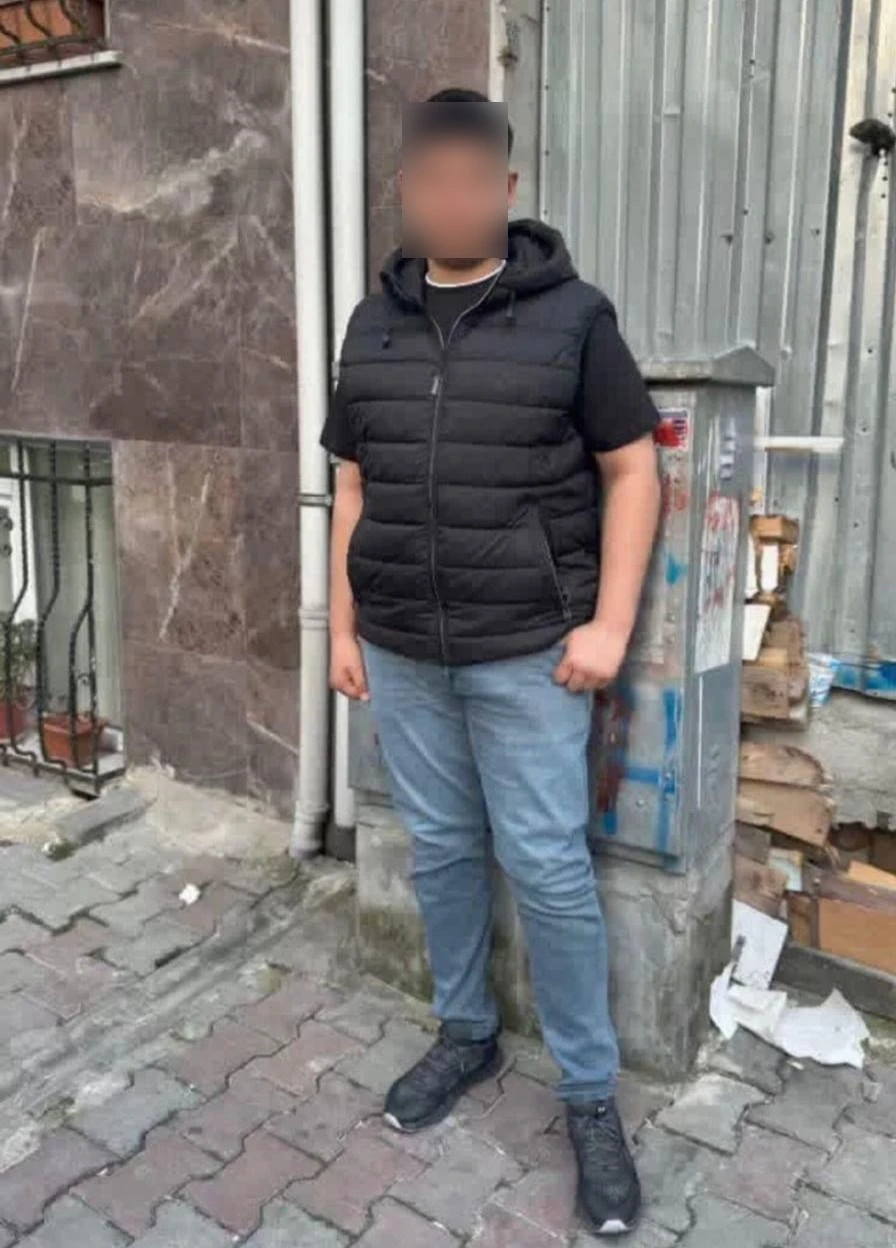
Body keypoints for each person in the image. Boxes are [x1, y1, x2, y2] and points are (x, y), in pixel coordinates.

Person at [321, 87, 661, 1237]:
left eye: (473, 181)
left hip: (525, 654)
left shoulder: (571, 317)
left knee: (549, 871)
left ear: (505, 189)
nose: (451, 199)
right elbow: (352, 484)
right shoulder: (370, 326)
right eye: (432, 182)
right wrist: (342, 628)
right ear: (406, 189)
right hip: (403, 651)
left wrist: (608, 627)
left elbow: (632, 469)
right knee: (440, 852)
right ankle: (465, 1034)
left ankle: (588, 1097)